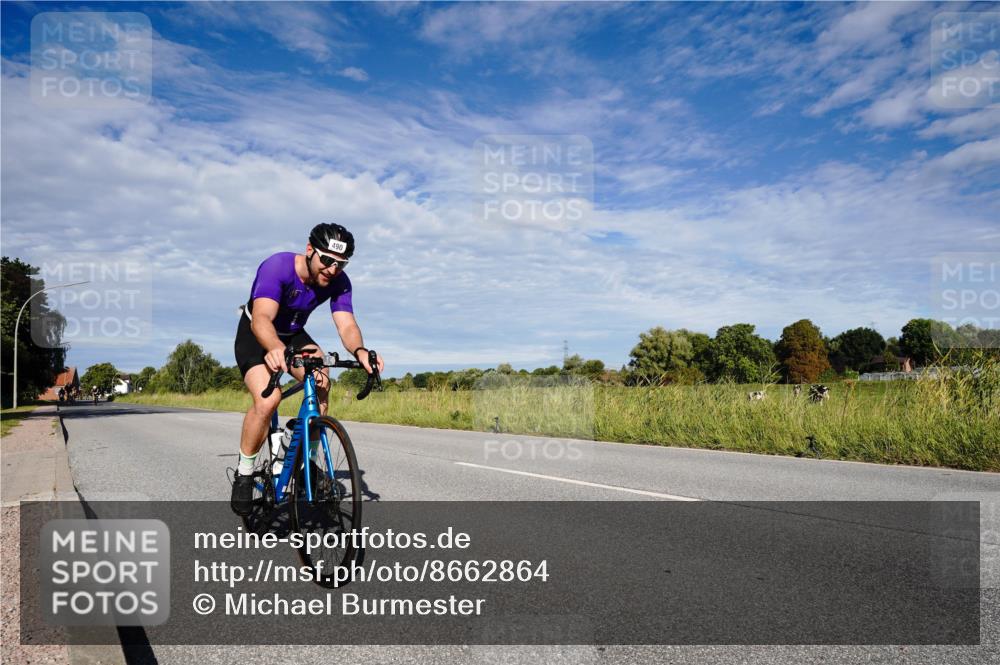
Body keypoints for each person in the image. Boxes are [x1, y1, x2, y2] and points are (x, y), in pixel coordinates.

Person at [230, 223, 384, 516]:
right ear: (310, 250)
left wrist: (361, 351)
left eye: (341, 264)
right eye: (327, 260)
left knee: (322, 380)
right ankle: (245, 472)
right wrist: (274, 348)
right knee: (268, 399)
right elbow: (261, 318)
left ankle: (304, 465)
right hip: (257, 332)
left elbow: (347, 325)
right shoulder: (278, 267)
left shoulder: (339, 281)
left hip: (292, 334)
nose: (332, 269)